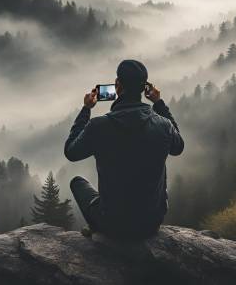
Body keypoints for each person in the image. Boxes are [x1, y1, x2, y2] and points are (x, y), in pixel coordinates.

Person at [64, 59, 184, 240]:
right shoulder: (164, 125)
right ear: (145, 89)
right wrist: (158, 103)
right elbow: (178, 147)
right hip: (152, 222)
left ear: (118, 85)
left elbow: (71, 152)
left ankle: (98, 226)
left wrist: (86, 109)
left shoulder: (99, 126)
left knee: (77, 183)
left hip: (112, 224)